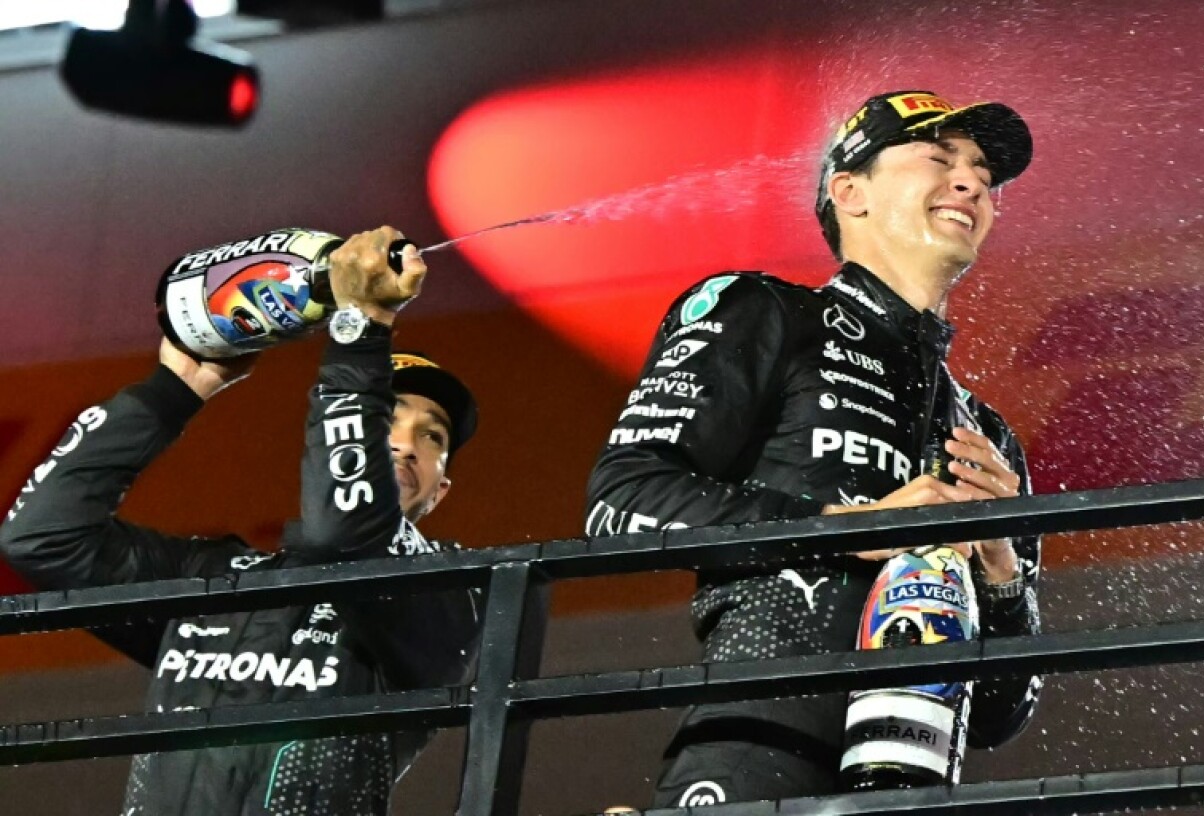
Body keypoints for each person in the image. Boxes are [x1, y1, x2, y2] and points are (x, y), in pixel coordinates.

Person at [585, 90, 1043, 806]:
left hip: (919, 784)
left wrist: (1003, 572)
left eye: (984, 173)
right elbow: (621, 499)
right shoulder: (765, 310)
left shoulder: (990, 441)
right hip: (761, 746)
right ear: (848, 191)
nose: (973, 182)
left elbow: (998, 716)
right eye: (938, 157)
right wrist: (848, 529)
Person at [0, 227, 481, 815]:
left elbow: (345, 535)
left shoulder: (447, 591)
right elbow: (41, 538)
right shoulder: (216, 575)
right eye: (387, 416)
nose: (405, 444)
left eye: (431, 436)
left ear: (440, 490)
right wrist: (175, 389)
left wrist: (363, 325)